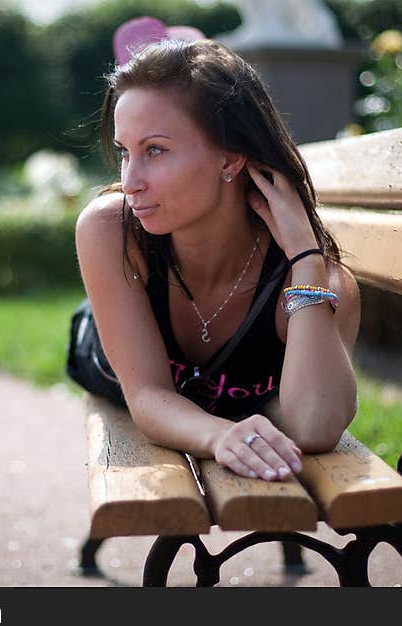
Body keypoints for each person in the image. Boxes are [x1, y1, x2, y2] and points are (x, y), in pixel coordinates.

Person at [69, 32, 359, 483]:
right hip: (113, 359)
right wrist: (220, 435)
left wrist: (305, 257)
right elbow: (146, 394)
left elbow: (315, 426)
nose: (129, 181)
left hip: (216, 391)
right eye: (126, 152)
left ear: (231, 158)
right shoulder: (111, 230)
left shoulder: (314, 283)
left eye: (156, 151)